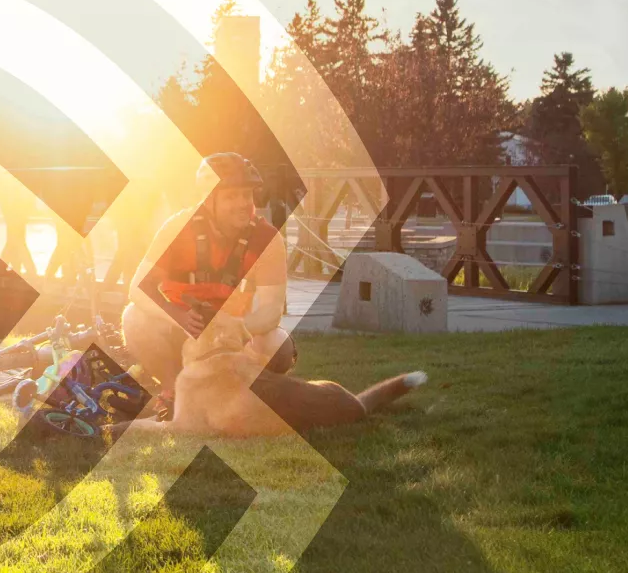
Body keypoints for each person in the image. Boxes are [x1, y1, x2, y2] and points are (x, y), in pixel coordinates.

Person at [123, 152, 294, 412]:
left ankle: (246, 394)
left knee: (278, 345)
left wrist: (234, 327)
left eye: (246, 195)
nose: (243, 204)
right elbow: (137, 288)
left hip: (234, 336)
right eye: (231, 196)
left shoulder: (266, 238)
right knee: (133, 318)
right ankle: (174, 393)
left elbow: (272, 311)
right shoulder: (177, 228)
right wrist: (178, 316)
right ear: (207, 200)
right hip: (182, 330)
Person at [138, 314, 426, 438]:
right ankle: (407, 381)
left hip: (337, 401)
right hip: (336, 399)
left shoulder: (201, 371)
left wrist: (125, 428)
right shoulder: (237, 363)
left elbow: (182, 432)